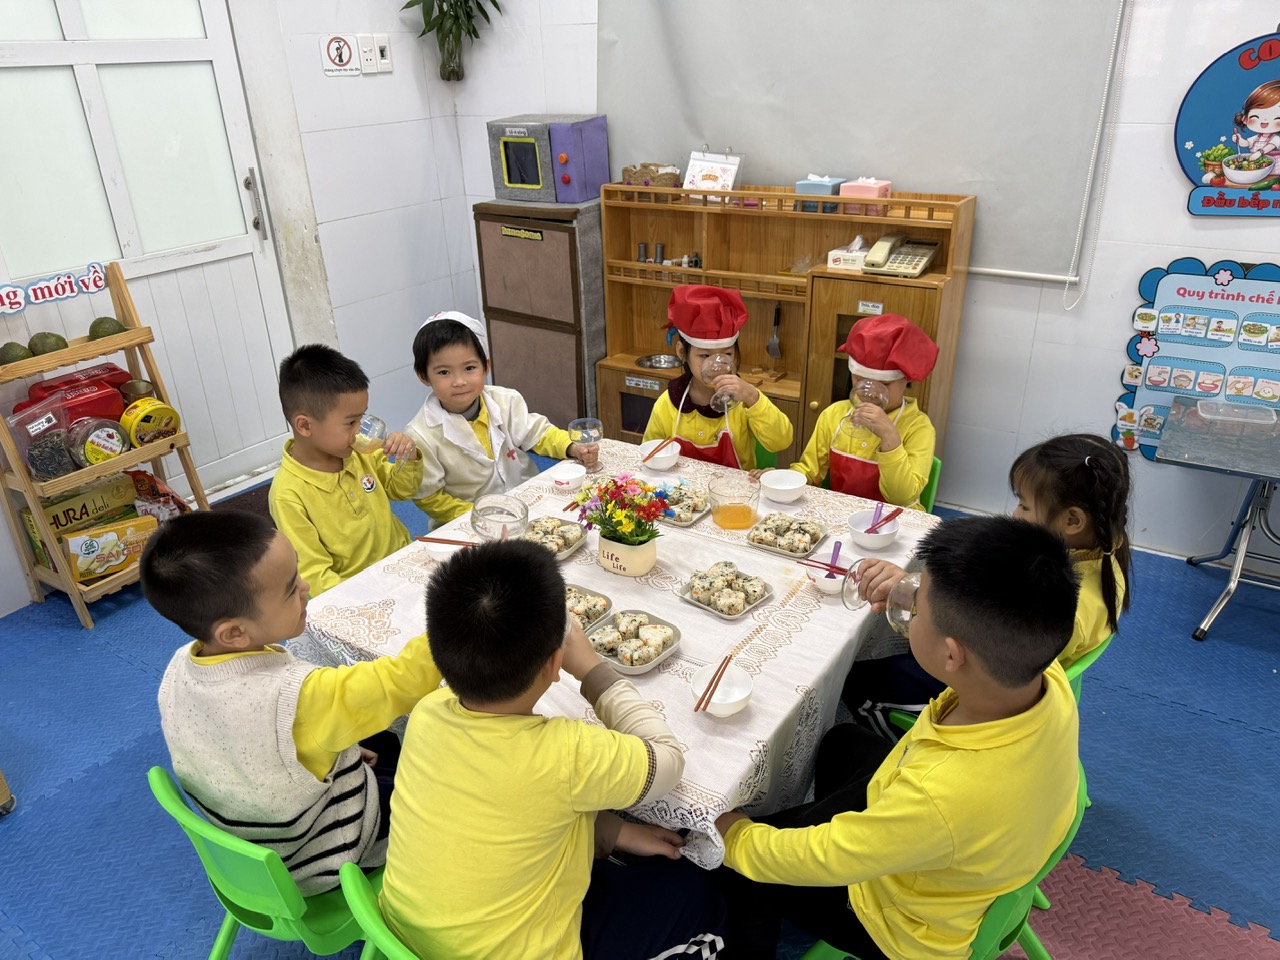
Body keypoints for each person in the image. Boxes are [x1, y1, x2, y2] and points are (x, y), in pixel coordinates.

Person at [715, 516, 1081, 960]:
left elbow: (828, 856)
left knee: (738, 867)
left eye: (917, 607)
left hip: (896, 921)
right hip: (973, 834)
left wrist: (737, 837)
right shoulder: (1040, 672)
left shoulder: (939, 796)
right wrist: (913, 593)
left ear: (952, 654)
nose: (908, 607)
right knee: (841, 743)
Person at [380, 539, 726, 960]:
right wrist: (593, 669)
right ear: (553, 663)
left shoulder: (428, 712)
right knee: (698, 891)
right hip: (520, 951)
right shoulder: (568, 752)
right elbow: (667, 760)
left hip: (406, 932)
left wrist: (614, 831)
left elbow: (509, 809)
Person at [143, 510, 444, 895]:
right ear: (234, 633)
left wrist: (339, 751)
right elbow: (404, 680)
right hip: (328, 854)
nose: (306, 586)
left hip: (254, 844)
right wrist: (458, 612)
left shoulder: (178, 668)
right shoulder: (302, 696)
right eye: (290, 589)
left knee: (379, 739)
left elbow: (247, 741)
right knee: (441, 765)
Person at [845, 432, 1131, 737]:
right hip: (1011, 672)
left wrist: (915, 597)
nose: (1015, 514)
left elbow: (978, 645)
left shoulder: (1070, 610)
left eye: (1024, 506)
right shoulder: (1103, 552)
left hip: (988, 695)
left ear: (1073, 520)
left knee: (856, 682)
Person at [405, 311, 598, 524]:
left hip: (526, 500)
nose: (459, 381)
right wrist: (481, 516)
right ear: (423, 376)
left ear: (486, 367)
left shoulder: (505, 400)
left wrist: (572, 447)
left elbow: (538, 433)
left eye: (469, 368)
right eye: (444, 372)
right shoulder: (420, 435)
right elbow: (430, 497)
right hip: (469, 521)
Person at [269, 343, 423, 596]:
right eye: (351, 422)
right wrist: (366, 600)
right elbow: (315, 574)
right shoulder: (288, 495)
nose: (361, 429)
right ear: (305, 426)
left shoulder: (358, 453)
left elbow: (402, 490)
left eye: (362, 417)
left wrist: (409, 456)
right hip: (359, 593)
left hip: (402, 563)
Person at [782, 313, 937, 506]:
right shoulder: (834, 414)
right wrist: (785, 480)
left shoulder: (919, 427)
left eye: (884, 384)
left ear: (906, 380)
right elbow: (809, 470)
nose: (871, 393)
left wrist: (889, 436)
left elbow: (902, 498)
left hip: (894, 517)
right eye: (860, 380)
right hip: (843, 512)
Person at [642, 285, 793, 469]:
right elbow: (652, 454)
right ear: (682, 353)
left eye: (727, 354)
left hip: (735, 486)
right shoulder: (668, 403)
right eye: (705, 355)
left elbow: (781, 442)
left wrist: (752, 397)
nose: (716, 365)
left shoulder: (743, 402)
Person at [1231, 79, 1280, 160]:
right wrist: (1239, 140)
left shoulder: (1276, 138)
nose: (1265, 121)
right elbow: (1246, 143)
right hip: (1257, 164)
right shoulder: (1256, 137)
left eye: (1277, 118)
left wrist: (1259, 153)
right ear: (1245, 119)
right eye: (1256, 116)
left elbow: (1270, 146)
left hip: (1275, 164)